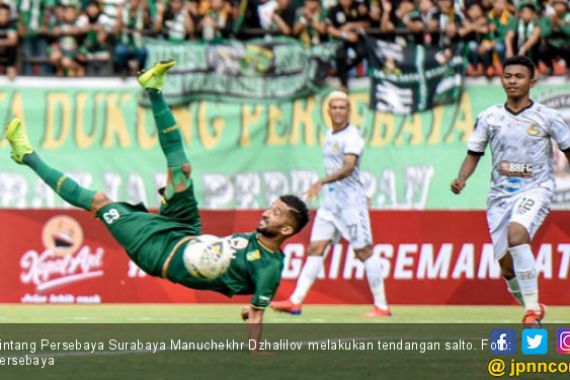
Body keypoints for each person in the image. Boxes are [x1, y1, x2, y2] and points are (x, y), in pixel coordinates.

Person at [3, 60, 310, 346]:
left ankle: (26, 156)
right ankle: (153, 88)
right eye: (271, 206)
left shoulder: (269, 266)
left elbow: (257, 310)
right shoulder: (256, 242)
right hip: (187, 230)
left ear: (286, 228)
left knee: (98, 202)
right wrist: (250, 305)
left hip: (157, 253)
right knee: (182, 169)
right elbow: (253, 302)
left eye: (275, 212)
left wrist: (254, 345)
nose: (266, 212)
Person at [450, 55, 570, 327]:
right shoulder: (489, 117)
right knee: (506, 266)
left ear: (532, 82)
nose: (512, 81)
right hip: (500, 196)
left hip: (535, 188)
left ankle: (530, 313)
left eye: (519, 76)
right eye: (508, 76)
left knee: (517, 235)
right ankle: (533, 306)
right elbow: (474, 153)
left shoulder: (548, 117)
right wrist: (461, 179)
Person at [271, 91, 391, 318]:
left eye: (342, 107)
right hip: (330, 205)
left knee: (364, 252)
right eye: (334, 107)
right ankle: (295, 301)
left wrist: (321, 181)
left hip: (351, 205)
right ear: (328, 111)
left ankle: (382, 306)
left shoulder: (352, 137)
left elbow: (348, 167)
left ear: (349, 110)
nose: (338, 111)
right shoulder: (329, 134)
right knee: (315, 248)